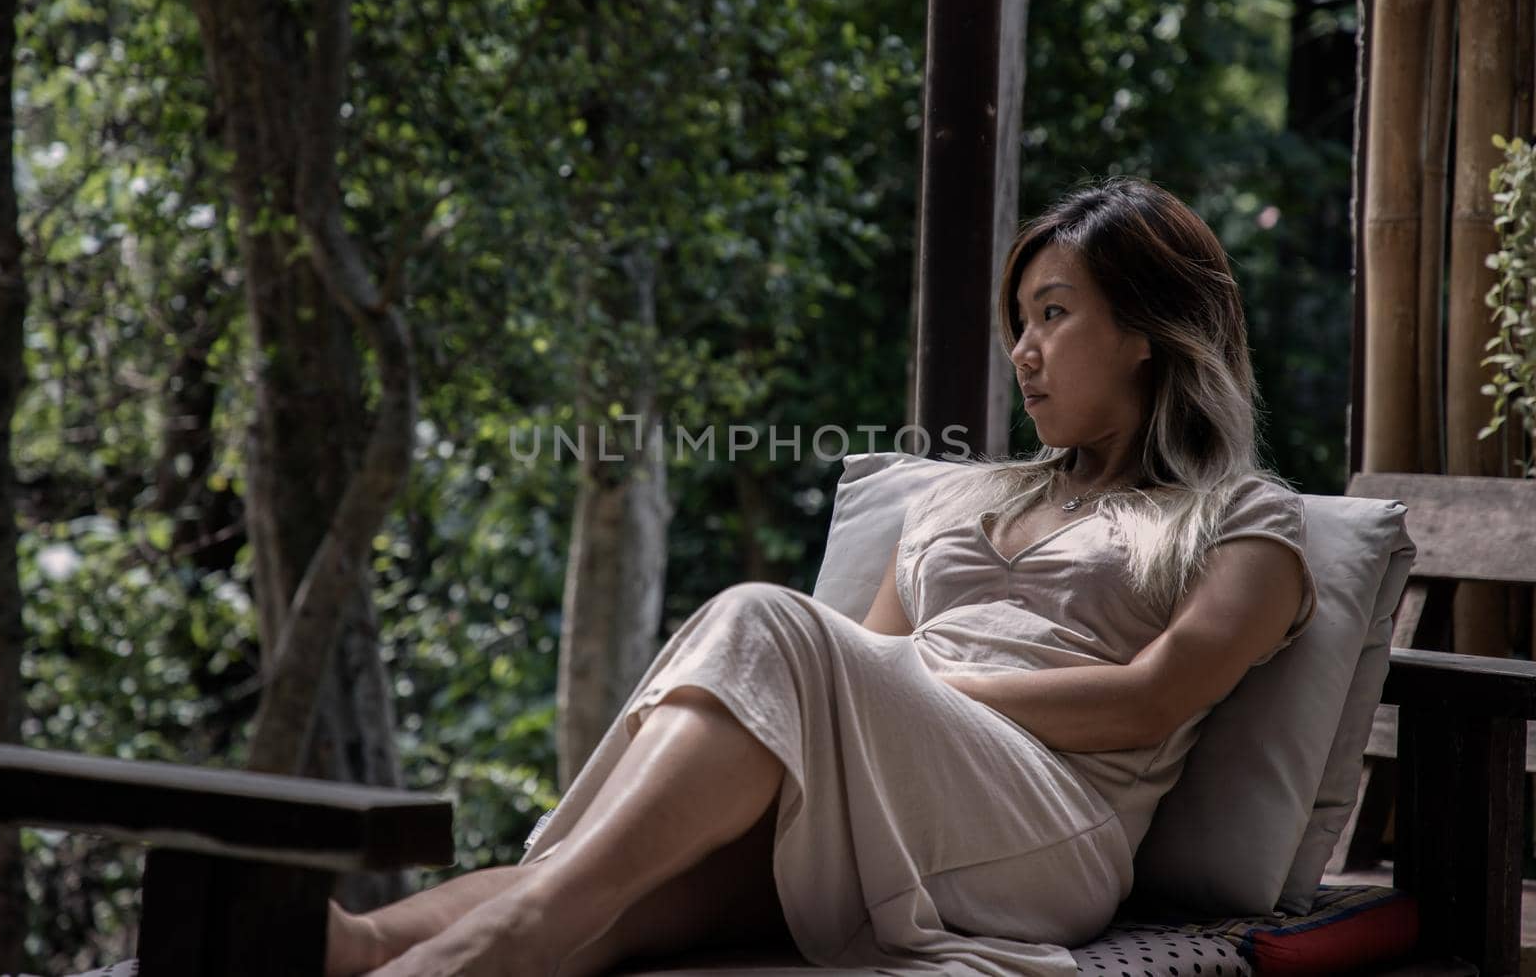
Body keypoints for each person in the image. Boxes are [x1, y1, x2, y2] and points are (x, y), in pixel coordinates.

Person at [323, 176, 1319, 977]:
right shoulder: (960, 499)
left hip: (1047, 824)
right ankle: (365, 947)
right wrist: (863, 696)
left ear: (1147, 331)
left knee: (769, 622)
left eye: (1052, 316)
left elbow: (1147, 703)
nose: (1023, 353)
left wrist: (894, 690)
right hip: (894, 783)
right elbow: (872, 662)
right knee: (630, 901)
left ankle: (511, 930)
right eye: (1017, 321)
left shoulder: (1243, 519)